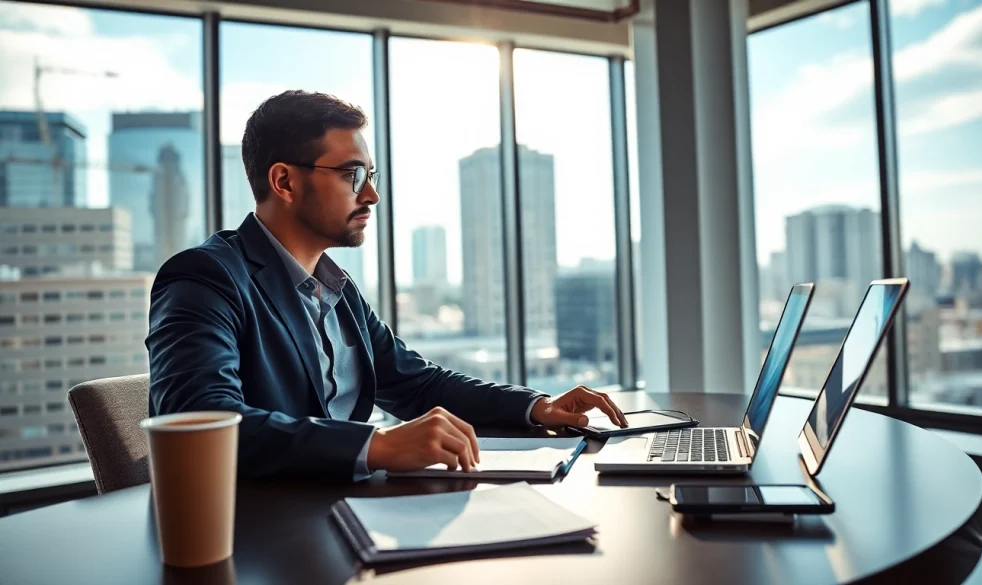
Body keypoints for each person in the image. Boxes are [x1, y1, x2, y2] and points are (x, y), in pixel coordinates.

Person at [147, 90, 627, 480]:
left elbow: (418, 384)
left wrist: (535, 406)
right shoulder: (204, 277)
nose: (371, 194)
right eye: (353, 174)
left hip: (346, 512)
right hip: (260, 537)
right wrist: (377, 444)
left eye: (370, 175)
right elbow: (204, 423)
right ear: (284, 182)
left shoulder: (337, 289)